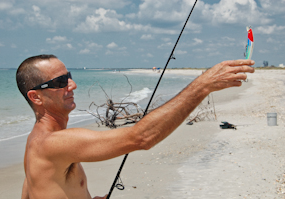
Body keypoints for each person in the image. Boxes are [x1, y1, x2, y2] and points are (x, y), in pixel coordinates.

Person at [16, 54, 255, 199]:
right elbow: (142, 137)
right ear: (36, 98)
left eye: (69, 75)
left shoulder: (34, 143)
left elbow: (29, 194)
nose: (73, 85)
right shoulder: (53, 143)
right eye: (60, 82)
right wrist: (203, 85)